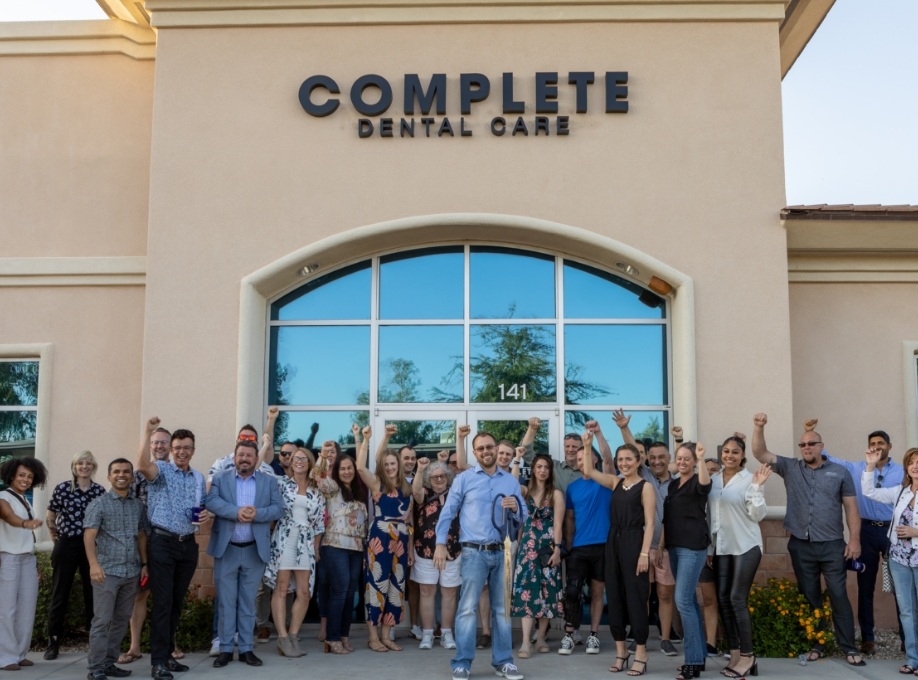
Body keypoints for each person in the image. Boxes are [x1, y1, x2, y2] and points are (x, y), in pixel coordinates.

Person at [750, 413, 865, 666]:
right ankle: (818, 644)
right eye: (802, 444)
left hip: (833, 544)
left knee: (837, 594)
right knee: (810, 595)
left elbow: (851, 508)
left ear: (821, 447)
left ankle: (848, 647)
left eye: (811, 443)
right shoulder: (790, 468)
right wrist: (759, 427)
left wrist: (854, 540)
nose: (806, 448)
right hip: (801, 544)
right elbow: (760, 453)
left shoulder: (840, 472)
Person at [435, 431, 527, 680]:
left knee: (503, 610)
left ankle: (503, 662)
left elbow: (524, 514)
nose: (486, 451)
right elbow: (448, 512)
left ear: (496, 449)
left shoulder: (509, 481)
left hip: (503, 551)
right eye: (481, 449)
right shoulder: (464, 479)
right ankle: (462, 663)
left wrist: (516, 507)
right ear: (475, 453)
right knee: (466, 609)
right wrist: (440, 543)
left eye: (489, 447)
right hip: (473, 552)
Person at [816, 419, 905, 655]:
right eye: (872, 443)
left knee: (901, 586)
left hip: (893, 532)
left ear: (889, 446)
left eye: (880, 443)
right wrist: (809, 431)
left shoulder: (902, 471)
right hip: (865, 531)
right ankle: (867, 638)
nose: (876, 446)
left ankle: (907, 639)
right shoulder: (857, 468)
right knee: (865, 587)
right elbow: (827, 457)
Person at [136, 418, 207, 680]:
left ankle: (167, 656)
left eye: (186, 447)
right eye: (177, 447)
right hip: (162, 544)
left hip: (187, 546)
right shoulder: (162, 470)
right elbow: (142, 465)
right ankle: (158, 663)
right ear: (171, 449)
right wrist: (147, 432)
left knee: (176, 604)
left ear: (193, 450)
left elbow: (202, 508)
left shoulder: (198, 477)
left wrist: (205, 515)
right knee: (163, 604)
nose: (181, 451)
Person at [206, 438, 285, 668]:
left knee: (248, 602)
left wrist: (256, 514)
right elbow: (211, 502)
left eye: (249, 455)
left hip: (253, 550)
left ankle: (247, 649)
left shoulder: (268, 482)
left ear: (255, 459)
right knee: (226, 603)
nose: (244, 458)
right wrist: (236, 512)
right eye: (241, 454)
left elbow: (278, 508)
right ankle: (226, 649)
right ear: (235, 456)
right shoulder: (220, 479)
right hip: (227, 549)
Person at [582, 438, 655, 676]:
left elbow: (651, 523)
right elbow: (589, 470)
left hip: (635, 542)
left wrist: (644, 553)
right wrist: (587, 444)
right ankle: (621, 651)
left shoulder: (646, 487)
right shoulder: (615, 482)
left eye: (628, 459)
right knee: (613, 596)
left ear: (638, 461)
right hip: (612, 542)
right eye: (620, 459)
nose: (623, 463)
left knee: (635, 597)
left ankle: (641, 653)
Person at [612, 412, 680, 654]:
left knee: (664, 593)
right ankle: (639, 636)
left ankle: (664, 637)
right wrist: (624, 428)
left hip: (667, 546)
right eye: (653, 457)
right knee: (641, 593)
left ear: (669, 458)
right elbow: (633, 450)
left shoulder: (678, 481)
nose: (657, 461)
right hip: (642, 546)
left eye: (662, 457)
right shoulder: (646, 476)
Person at [709, 437, 770, 679]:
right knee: (723, 599)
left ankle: (748, 655)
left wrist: (756, 487)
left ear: (742, 455)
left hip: (746, 546)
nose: (730, 456)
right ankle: (735, 654)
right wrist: (709, 548)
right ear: (721, 453)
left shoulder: (749, 479)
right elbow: (710, 516)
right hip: (722, 547)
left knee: (736, 598)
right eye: (726, 451)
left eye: (735, 452)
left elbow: (758, 514)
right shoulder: (713, 480)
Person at [83, 458, 149, 680]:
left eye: (126, 472)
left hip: (131, 572)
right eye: (117, 472)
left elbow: (141, 535)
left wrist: (144, 564)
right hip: (106, 572)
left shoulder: (137, 505)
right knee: (102, 621)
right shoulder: (99, 503)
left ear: (131, 476)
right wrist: (93, 564)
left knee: (121, 620)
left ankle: (109, 663)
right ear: (109, 477)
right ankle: (96, 669)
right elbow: (89, 535)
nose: (122, 475)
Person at [263, 446, 326, 657]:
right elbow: (261, 466)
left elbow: (319, 523)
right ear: (289, 462)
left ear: (310, 463)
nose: (299, 461)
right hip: (284, 539)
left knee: (304, 592)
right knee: (281, 589)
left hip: (306, 542)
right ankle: (281, 637)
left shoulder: (317, 490)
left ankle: (293, 635)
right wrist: (265, 442)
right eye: (295, 458)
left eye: (304, 459)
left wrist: (316, 546)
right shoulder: (280, 483)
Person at [43, 450, 106, 660]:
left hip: (91, 547)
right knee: (60, 593)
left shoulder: (99, 491)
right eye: (80, 463)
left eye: (88, 463)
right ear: (74, 466)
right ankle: (53, 641)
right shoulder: (63, 488)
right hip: (67, 543)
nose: (84, 466)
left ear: (93, 467)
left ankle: (93, 641)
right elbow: (51, 516)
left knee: (93, 594)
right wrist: (57, 542)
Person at [862, 447, 918, 674]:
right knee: (906, 611)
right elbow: (869, 492)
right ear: (906, 467)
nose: (915, 466)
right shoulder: (900, 492)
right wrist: (870, 466)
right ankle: (913, 660)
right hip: (898, 559)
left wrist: (916, 532)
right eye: (911, 462)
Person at [357, 424, 413, 652]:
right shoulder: (377, 484)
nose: (390, 467)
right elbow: (360, 467)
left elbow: (409, 521)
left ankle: (387, 634)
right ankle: (373, 637)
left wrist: (409, 549)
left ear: (399, 465)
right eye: (387, 464)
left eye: (393, 463)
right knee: (376, 585)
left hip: (400, 540)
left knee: (396, 587)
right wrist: (367, 439)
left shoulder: (407, 488)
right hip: (380, 537)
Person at [314, 430, 369, 655]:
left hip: (356, 549)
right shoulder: (333, 488)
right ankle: (332, 637)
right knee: (339, 591)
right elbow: (317, 476)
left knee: (349, 593)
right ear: (337, 471)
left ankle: (344, 635)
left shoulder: (358, 492)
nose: (346, 472)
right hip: (335, 546)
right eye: (342, 468)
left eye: (350, 468)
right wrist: (323, 456)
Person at [660, 441, 711, 680]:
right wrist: (661, 546)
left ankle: (691, 662)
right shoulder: (672, 485)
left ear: (693, 461)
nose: (682, 462)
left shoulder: (698, 481)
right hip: (674, 547)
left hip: (693, 548)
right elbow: (667, 520)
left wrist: (701, 458)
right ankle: (699, 657)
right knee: (689, 601)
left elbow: (704, 485)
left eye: (686, 459)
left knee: (681, 601)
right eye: (679, 458)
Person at [121, 427, 172, 665]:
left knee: (169, 596)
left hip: (169, 543)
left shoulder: (177, 473)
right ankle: (134, 647)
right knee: (139, 595)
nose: (159, 446)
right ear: (149, 446)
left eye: (164, 442)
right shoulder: (138, 475)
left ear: (171, 446)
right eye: (155, 442)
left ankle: (172, 645)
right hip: (143, 542)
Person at [559, 439, 612, 656]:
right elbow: (570, 519)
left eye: (586, 458)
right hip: (579, 547)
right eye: (579, 459)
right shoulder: (572, 487)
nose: (581, 462)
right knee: (572, 592)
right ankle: (569, 634)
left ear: (595, 459)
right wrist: (569, 545)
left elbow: (609, 458)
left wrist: (597, 434)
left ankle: (594, 635)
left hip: (603, 546)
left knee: (598, 592)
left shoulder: (607, 480)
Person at [510, 453, 564, 658]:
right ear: (533, 469)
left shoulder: (556, 494)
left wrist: (558, 549)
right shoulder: (525, 491)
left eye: (546, 467)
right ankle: (525, 641)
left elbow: (558, 524)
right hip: (527, 549)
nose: (542, 470)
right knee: (527, 592)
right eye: (539, 466)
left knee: (547, 593)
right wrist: (517, 459)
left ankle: (540, 637)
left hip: (548, 548)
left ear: (550, 471)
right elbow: (511, 484)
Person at [0, 457, 48, 671]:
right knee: (6, 609)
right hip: (7, 558)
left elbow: (28, 538)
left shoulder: (25, 500)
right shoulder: (3, 497)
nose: (26, 479)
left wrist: (35, 559)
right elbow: (9, 518)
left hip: (27, 558)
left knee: (27, 608)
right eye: (22, 475)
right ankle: (4, 657)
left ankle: (20, 654)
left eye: (29, 476)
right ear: (12, 475)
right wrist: (26, 523)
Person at [412, 457, 461, 651]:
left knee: (449, 592)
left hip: (452, 550)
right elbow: (415, 492)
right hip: (425, 550)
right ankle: (427, 634)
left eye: (442, 476)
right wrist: (420, 469)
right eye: (434, 477)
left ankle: (447, 633)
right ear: (428, 480)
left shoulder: (456, 494)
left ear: (448, 477)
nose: (439, 479)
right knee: (426, 591)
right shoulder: (424, 492)